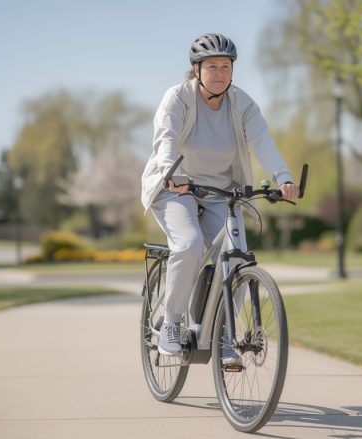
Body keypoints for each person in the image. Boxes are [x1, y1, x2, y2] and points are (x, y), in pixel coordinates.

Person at [140, 33, 299, 366]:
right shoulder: (178, 98)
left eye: (225, 66)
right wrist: (171, 171)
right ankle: (171, 322)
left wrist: (283, 177)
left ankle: (223, 337)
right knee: (189, 243)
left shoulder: (242, 104)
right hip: (176, 188)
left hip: (222, 191)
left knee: (237, 258)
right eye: (211, 66)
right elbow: (165, 139)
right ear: (196, 69)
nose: (219, 73)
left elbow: (263, 142)